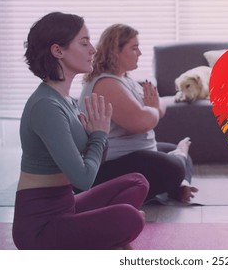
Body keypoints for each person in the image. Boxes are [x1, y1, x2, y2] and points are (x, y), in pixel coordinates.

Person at [12, 12, 149, 250]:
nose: (93, 50)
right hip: (40, 227)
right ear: (58, 51)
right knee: (131, 218)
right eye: (84, 43)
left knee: (138, 182)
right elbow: (83, 180)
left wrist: (97, 136)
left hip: (67, 206)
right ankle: (106, 232)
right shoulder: (46, 106)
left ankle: (98, 233)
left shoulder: (65, 99)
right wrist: (99, 136)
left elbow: (92, 162)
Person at [78, 24, 198, 203]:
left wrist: (153, 109)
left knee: (175, 149)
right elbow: (142, 122)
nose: (140, 53)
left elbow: (158, 105)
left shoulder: (124, 79)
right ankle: (178, 169)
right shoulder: (106, 84)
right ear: (114, 52)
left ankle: (180, 185)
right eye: (134, 48)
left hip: (136, 153)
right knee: (175, 164)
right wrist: (153, 109)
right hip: (111, 165)